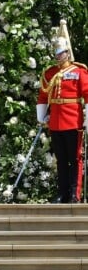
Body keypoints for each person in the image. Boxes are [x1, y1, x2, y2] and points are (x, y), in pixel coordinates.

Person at [36, 20, 88, 204]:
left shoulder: (79, 71)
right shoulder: (49, 73)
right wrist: (42, 116)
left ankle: (75, 193)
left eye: (62, 52)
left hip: (73, 120)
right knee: (60, 160)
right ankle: (63, 192)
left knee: (74, 159)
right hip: (56, 122)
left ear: (68, 52)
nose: (59, 56)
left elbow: (87, 94)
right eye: (57, 53)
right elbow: (43, 96)